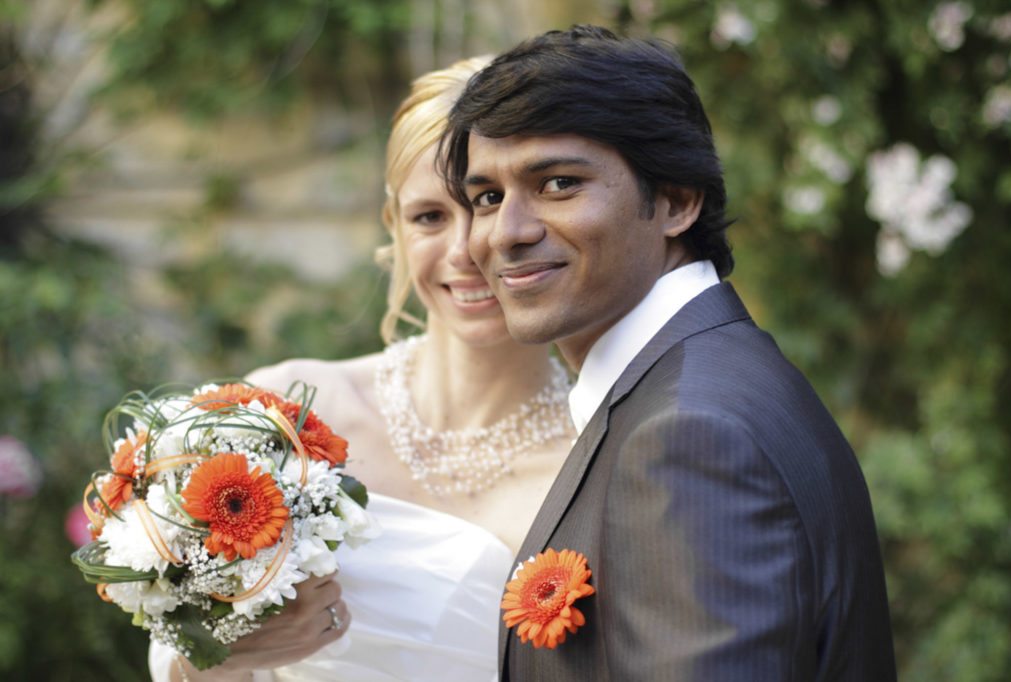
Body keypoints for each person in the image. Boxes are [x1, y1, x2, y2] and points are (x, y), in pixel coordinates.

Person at [441, 25, 897, 680]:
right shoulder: (705, 379)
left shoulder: (690, 434)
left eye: (559, 183)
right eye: (487, 197)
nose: (505, 233)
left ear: (678, 201)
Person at [149, 55, 576, 682]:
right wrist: (219, 655)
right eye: (430, 216)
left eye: (486, 203)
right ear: (394, 229)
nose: (465, 251)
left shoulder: (596, 459)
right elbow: (176, 659)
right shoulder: (281, 413)